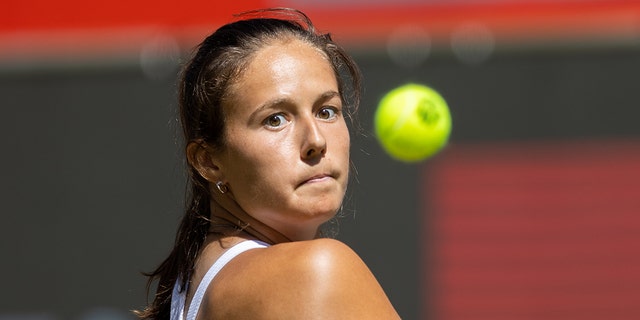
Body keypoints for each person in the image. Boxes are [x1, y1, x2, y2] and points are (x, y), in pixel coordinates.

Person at [136, 8, 401, 320]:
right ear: (208, 161)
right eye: (275, 119)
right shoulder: (317, 271)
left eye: (326, 111)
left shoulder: (196, 283)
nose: (316, 140)